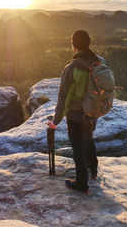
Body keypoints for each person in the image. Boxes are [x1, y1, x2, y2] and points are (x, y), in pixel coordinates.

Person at [47, 29, 104, 193]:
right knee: (88, 140)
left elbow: (63, 97)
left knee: (78, 147)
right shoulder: (98, 62)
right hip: (92, 111)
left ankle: (81, 184)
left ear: (74, 46)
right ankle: (93, 171)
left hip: (76, 115)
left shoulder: (72, 68)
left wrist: (55, 121)